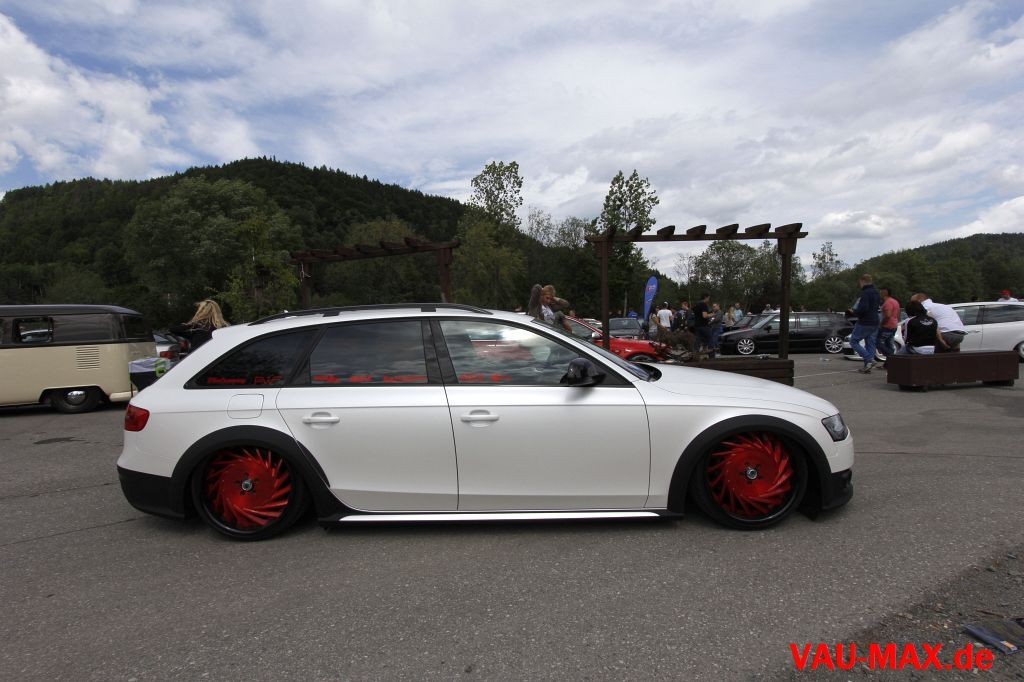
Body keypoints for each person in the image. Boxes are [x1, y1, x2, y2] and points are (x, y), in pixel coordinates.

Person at [847, 274, 881, 373]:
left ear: (863, 281)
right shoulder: (876, 292)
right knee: (870, 343)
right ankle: (867, 366)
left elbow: (863, 308)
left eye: (860, 283)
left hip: (865, 321)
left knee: (853, 341)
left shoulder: (865, 293)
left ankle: (869, 359)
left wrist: (854, 312)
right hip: (875, 321)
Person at [876, 287, 900, 365]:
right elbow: (898, 314)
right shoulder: (895, 301)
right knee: (889, 343)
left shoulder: (887, 303)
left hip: (887, 326)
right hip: (894, 325)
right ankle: (888, 364)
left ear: (884, 293)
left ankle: (891, 356)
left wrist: (882, 324)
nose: (879, 294)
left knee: (877, 342)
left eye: (880, 293)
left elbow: (888, 316)